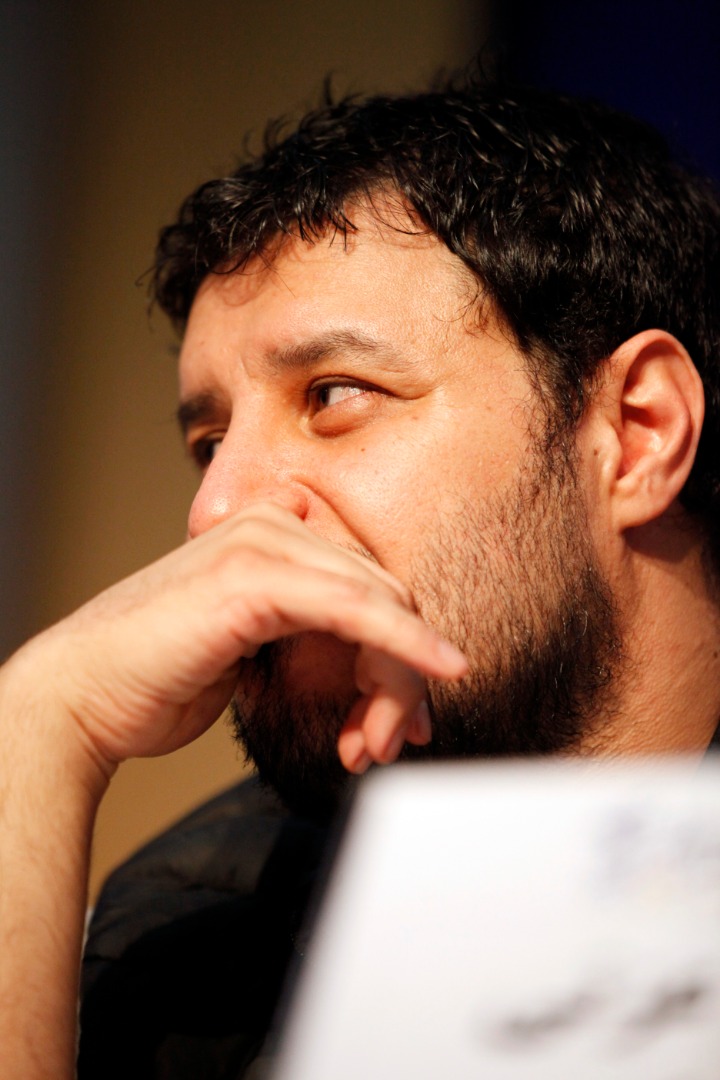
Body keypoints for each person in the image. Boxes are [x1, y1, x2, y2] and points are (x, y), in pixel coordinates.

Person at [1, 76, 720, 1079]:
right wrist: (40, 726)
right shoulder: (195, 933)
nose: (216, 512)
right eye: (210, 443)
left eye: (335, 394)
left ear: (637, 434)